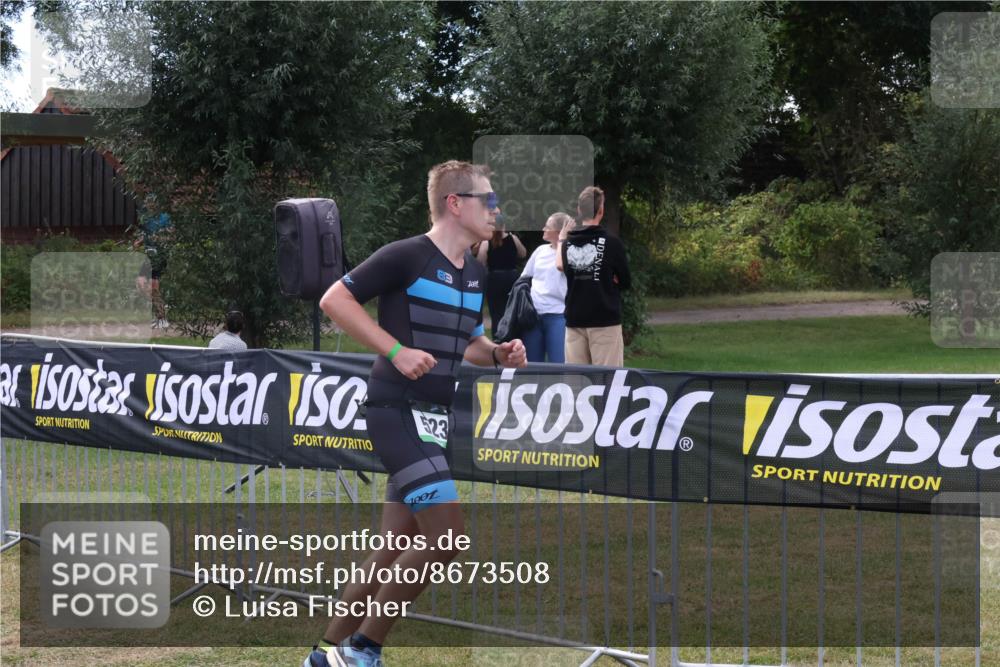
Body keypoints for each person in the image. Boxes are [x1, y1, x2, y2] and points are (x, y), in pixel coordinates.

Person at [306, 160, 527, 667]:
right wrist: (395, 351)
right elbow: (334, 300)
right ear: (455, 203)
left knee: (394, 546)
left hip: (435, 419)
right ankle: (363, 649)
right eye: (489, 200)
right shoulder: (406, 255)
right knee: (446, 537)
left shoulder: (475, 271)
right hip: (397, 411)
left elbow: (468, 342)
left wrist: (498, 353)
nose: (497, 210)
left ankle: (325, 654)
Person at [556, 186, 631, 366]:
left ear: (579, 210)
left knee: (576, 380)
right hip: (604, 320)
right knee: (608, 379)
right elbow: (626, 281)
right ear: (601, 211)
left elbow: (564, 269)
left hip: (575, 319)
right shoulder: (612, 243)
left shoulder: (567, 244)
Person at [519, 212, 571, 362]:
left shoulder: (569, 253)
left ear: (559, 232)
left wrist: (562, 242)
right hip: (533, 315)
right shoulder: (540, 250)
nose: (543, 229)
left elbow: (562, 267)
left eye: (548, 226)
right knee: (531, 364)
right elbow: (524, 276)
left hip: (558, 315)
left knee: (559, 364)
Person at [476, 224, 526, 329]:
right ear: (503, 225)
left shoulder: (486, 242)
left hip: (495, 279)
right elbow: (523, 254)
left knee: (496, 313)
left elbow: (480, 262)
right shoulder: (513, 238)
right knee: (514, 310)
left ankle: (498, 335)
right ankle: (514, 335)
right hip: (512, 278)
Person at [134, 208, 171, 328]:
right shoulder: (146, 218)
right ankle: (161, 308)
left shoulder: (165, 217)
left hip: (159, 255)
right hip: (149, 255)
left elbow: (171, 235)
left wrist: (159, 238)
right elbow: (146, 234)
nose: (148, 204)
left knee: (153, 286)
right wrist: (139, 241)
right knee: (140, 283)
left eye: (151, 202)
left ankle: (162, 319)